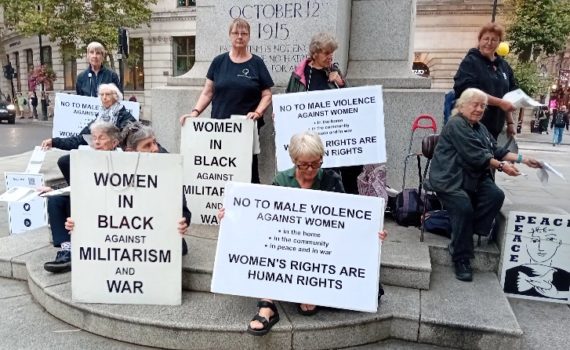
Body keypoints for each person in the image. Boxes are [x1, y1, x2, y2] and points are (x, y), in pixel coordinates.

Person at [218, 131, 387, 336]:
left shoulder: (331, 179)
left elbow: (347, 224)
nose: (310, 170)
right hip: (286, 245)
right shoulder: (282, 179)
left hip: (321, 247)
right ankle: (267, 305)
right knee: (266, 249)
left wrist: (372, 233)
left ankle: (309, 291)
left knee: (371, 291)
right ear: (293, 160)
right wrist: (232, 216)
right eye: (303, 165)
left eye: (316, 163)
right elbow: (263, 219)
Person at [428, 88, 542, 282]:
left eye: (483, 106)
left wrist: (523, 159)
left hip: (472, 177)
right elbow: (476, 154)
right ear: (462, 105)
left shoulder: (480, 127)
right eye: (475, 104)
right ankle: (461, 257)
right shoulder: (456, 124)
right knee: (463, 206)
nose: (479, 109)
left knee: (495, 195)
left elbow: (495, 150)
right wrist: (502, 166)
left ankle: (462, 231)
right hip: (450, 178)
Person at [179, 18, 273, 184]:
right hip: (219, 130)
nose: (239, 36)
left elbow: (267, 94)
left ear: (249, 37)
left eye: (244, 33)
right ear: (229, 36)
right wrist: (195, 113)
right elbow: (208, 92)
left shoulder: (256, 63)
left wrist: (258, 112)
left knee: (248, 173)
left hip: (246, 130)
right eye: (236, 33)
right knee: (220, 172)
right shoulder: (218, 62)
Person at [285, 32, 362, 194]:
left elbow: (351, 104)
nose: (330, 57)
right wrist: (282, 114)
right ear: (315, 54)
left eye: (332, 53)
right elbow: (289, 100)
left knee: (339, 178)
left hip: (335, 138)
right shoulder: (300, 74)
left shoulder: (334, 71)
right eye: (326, 53)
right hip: (310, 141)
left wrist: (341, 83)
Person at [43, 121, 122, 273]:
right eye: (94, 138)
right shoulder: (86, 159)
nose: (96, 142)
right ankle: (67, 250)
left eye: (101, 138)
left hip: (110, 205)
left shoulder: (122, 160)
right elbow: (75, 185)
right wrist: (53, 189)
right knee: (56, 200)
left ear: (114, 142)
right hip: (86, 198)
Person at [40, 83, 136, 184]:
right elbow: (80, 139)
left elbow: (133, 139)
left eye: (107, 94)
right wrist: (54, 142)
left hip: (115, 157)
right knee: (65, 161)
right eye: (101, 95)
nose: (104, 97)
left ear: (116, 96)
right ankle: (77, 191)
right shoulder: (99, 116)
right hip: (97, 154)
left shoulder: (125, 117)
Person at [453, 23, 517, 141]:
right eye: (486, 39)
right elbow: (469, 91)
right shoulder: (470, 61)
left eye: (494, 40)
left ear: (499, 43)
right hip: (472, 125)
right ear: (479, 40)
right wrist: (499, 103)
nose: (489, 43)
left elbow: (507, 95)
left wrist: (510, 122)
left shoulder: (503, 66)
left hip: (495, 127)